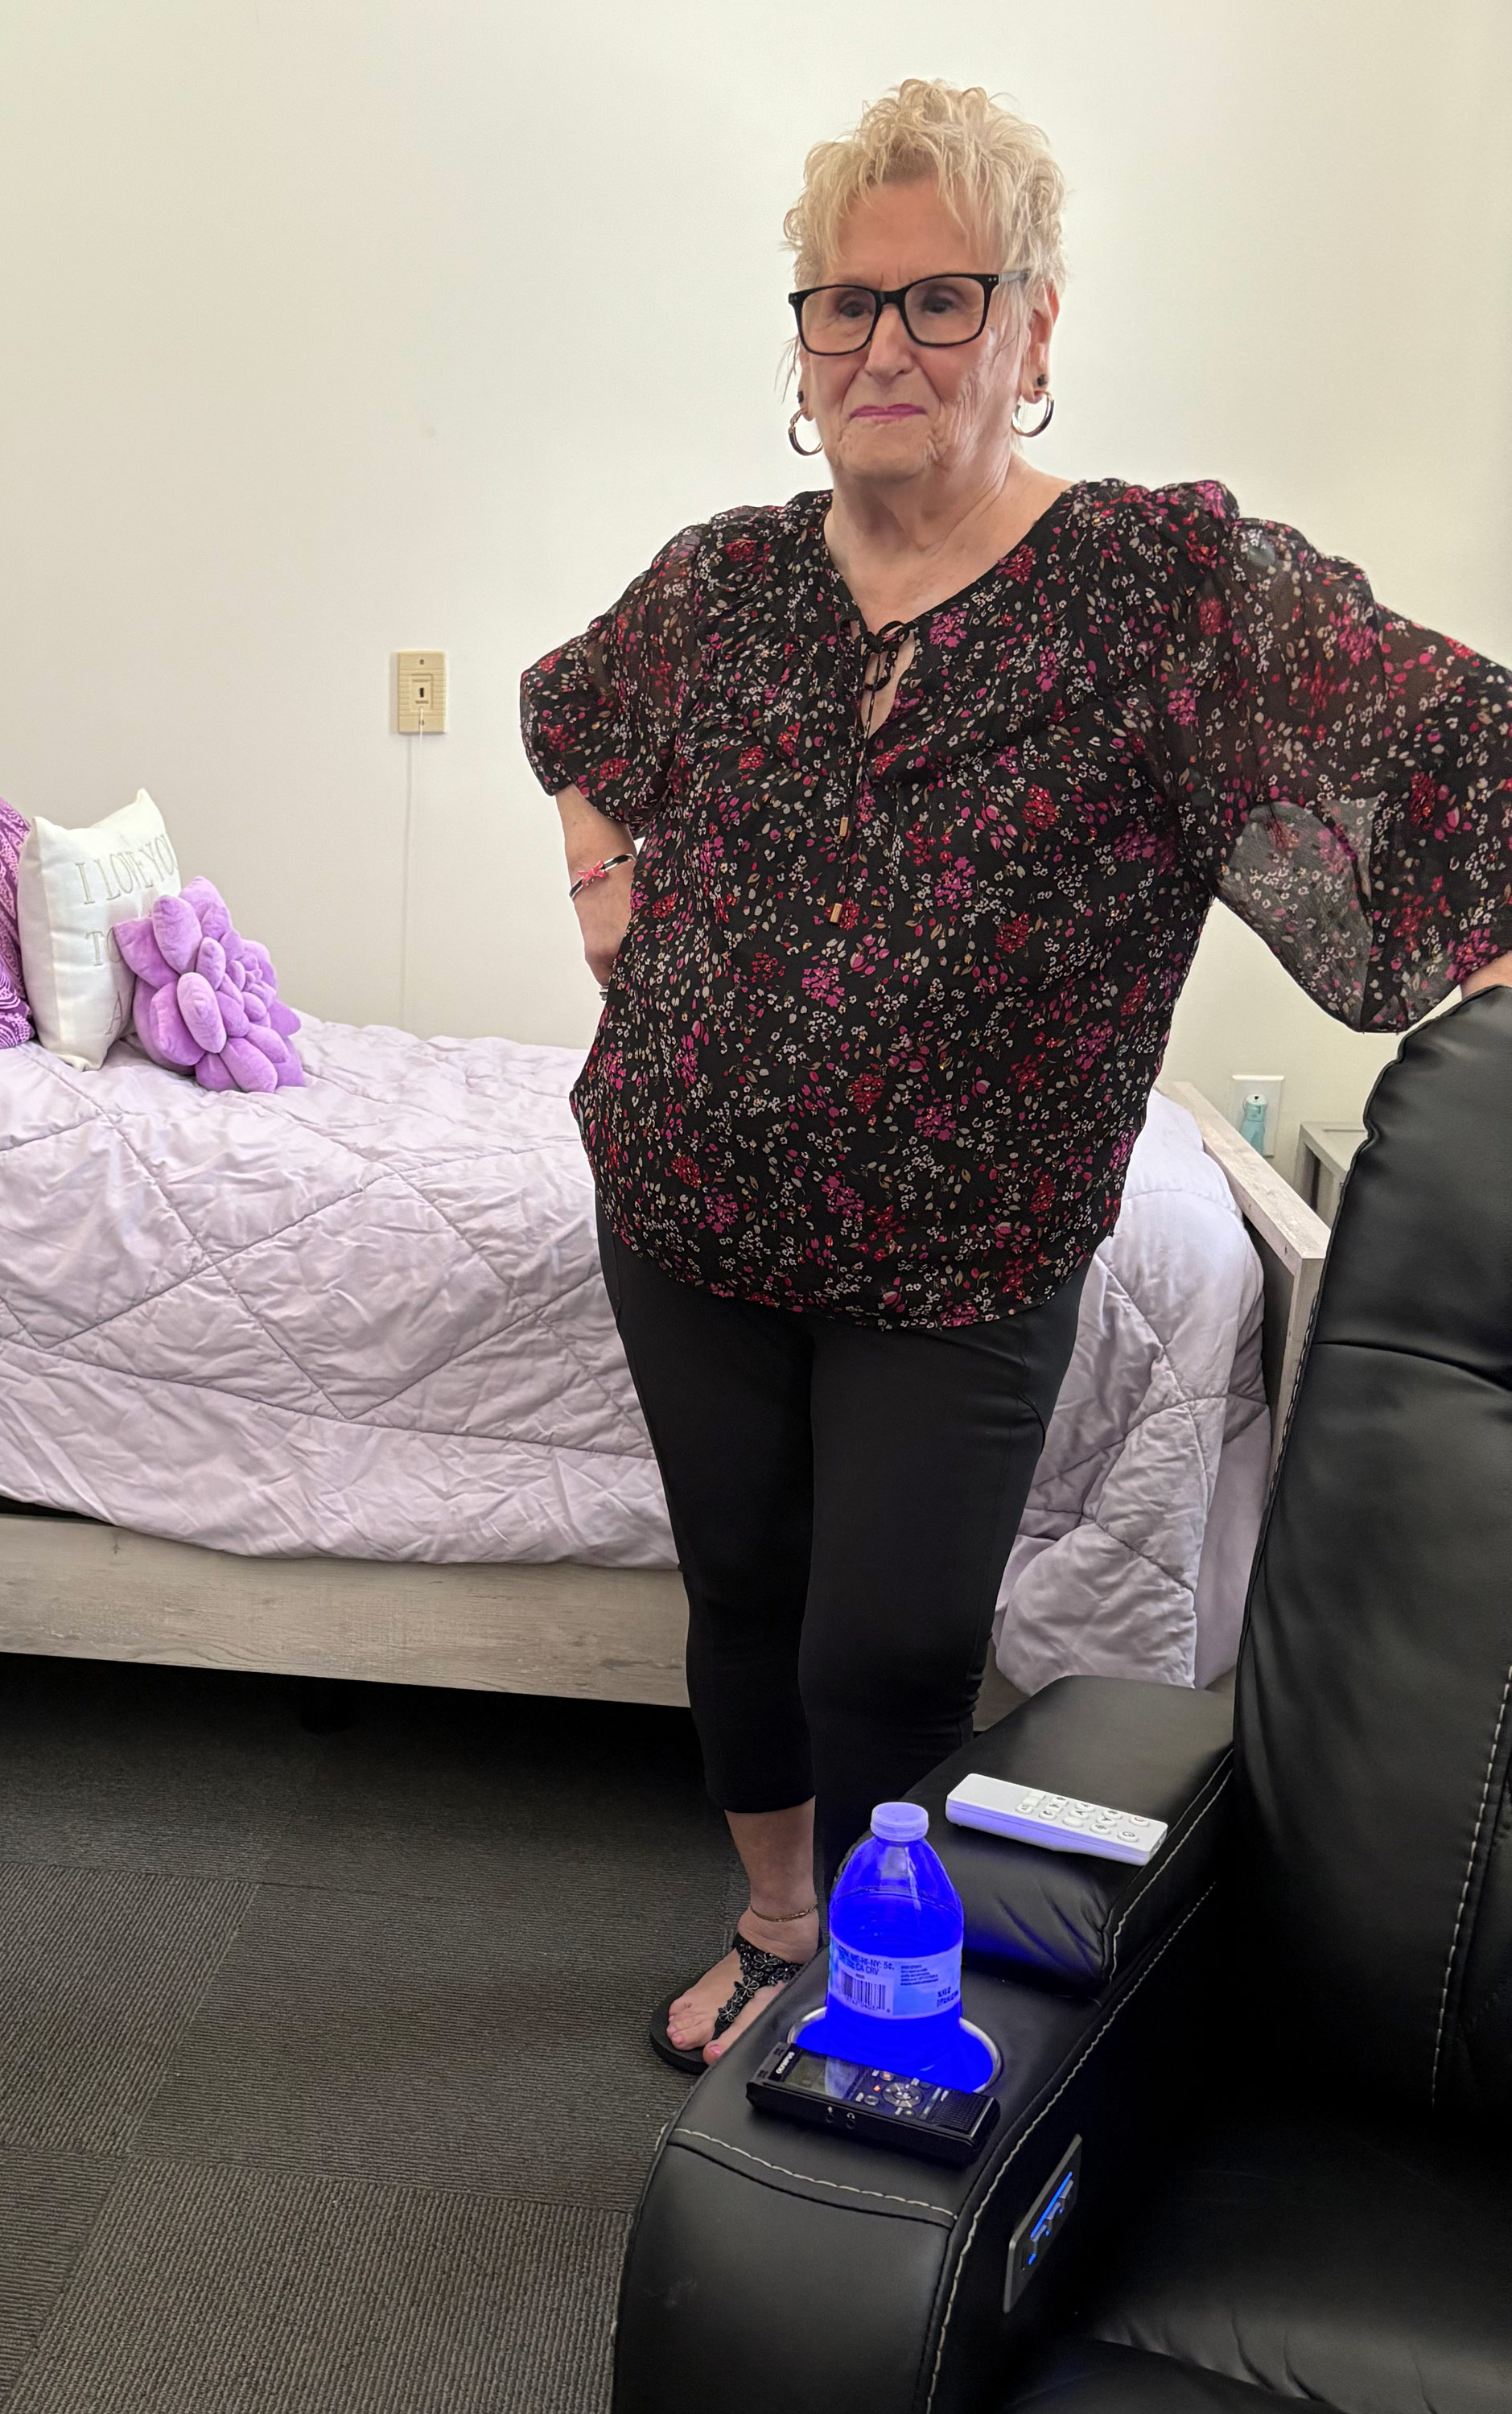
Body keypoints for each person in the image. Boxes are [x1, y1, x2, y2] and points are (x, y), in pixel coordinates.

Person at [520, 79, 1512, 2072]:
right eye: (840, 305)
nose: (882, 345)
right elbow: (567, 711)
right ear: (799, 346)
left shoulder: (1160, 593)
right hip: (684, 1193)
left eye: (941, 299)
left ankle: (877, 1967)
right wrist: (606, 888)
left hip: (971, 1237)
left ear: (1033, 331)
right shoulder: (719, 582)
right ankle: (773, 1916)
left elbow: (1439, 761)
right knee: (740, 1587)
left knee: (883, 1634)